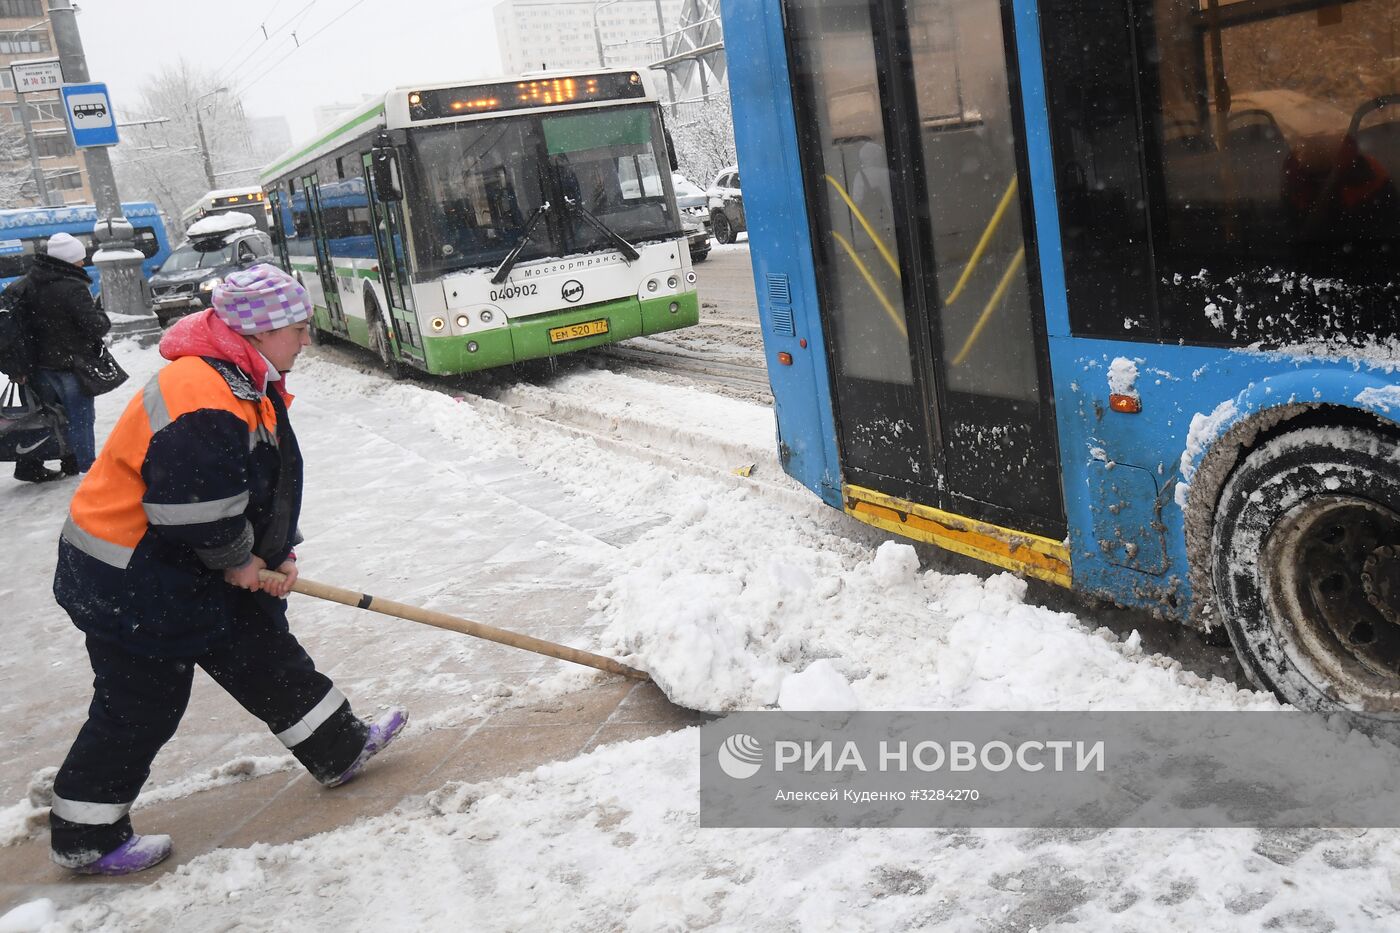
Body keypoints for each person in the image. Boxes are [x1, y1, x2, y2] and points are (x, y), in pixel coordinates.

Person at [48, 264, 407, 876]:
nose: (307, 339)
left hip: (183, 564)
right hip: (131, 578)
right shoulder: (202, 392)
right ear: (261, 332)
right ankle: (86, 835)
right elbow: (192, 505)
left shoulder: (243, 377)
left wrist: (277, 550)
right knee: (142, 701)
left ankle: (338, 747)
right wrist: (238, 560)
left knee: (259, 648)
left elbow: (259, 482)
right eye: (298, 327)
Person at [9, 232, 109, 483]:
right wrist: (102, 315)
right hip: (70, 364)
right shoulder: (72, 286)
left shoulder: (29, 282)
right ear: (69, 260)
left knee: (49, 416)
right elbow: (94, 326)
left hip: (39, 365)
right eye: (79, 259)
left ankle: (47, 462)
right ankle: (86, 466)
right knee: (80, 418)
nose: (83, 263)